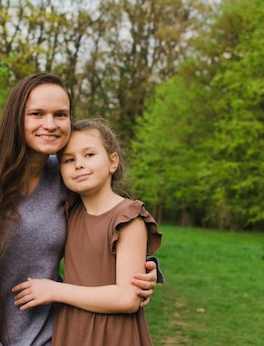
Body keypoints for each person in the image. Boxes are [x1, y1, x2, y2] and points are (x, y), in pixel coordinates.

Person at [0, 73, 159, 346]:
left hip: (49, 338)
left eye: (60, 114)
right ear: (16, 118)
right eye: (37, 113)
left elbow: (107, 223)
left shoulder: (66, 178)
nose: (50, 124)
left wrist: (143, 269)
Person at [11, 119, 162, 346]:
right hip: (71, 330)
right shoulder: (69, 212)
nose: (79, 164)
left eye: (89, 155)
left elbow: (127, 298)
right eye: (69, 160)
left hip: (113, 333)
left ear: (113, 162)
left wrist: (55, 290)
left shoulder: (128, 218)